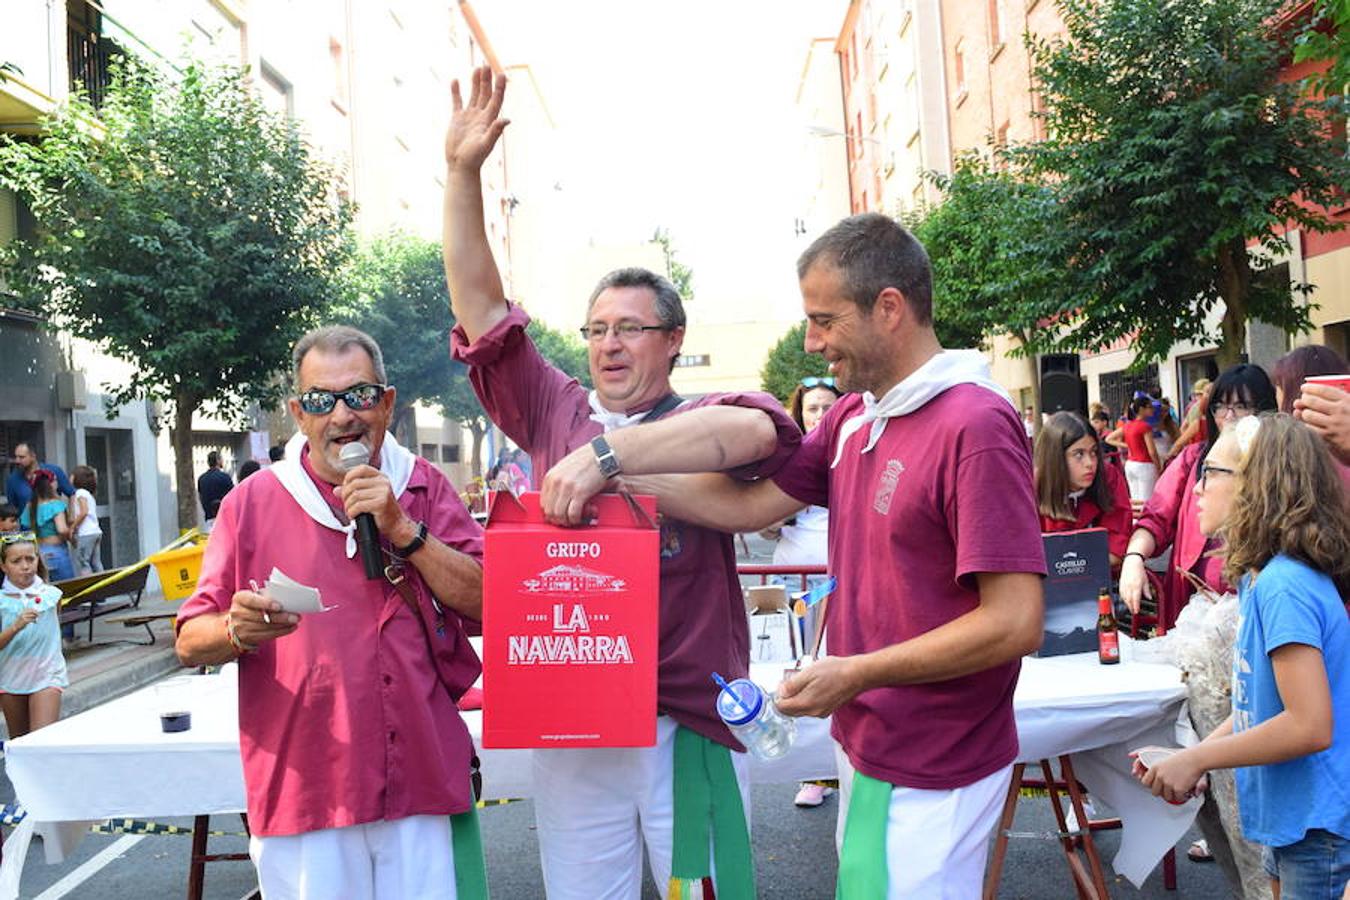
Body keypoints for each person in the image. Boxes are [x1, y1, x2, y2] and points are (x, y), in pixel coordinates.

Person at [590, 213, 1047, 897]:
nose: (812, 341)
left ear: (888, 308)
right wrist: (613, 481)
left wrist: (855, 672)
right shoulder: (855, 414)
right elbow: (749, 507)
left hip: (937, 758)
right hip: (868, 745)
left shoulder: (974, 423)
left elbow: (1015, 622)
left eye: (824, 319)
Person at [444, 67, 799, 900]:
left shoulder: (708, 412)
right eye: (596, 329)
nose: (608, 345)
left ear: (673, 340)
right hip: (574, 724)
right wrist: (462, 175)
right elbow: (481, 308)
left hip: (688, 722)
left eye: (629, 329)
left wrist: (610, 459)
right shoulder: (554, 406)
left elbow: (762, 432)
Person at [175, 326, 489, 899]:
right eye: (321, 400)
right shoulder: (251, 504)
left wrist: (404, 532)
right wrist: (233, 631)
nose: (342, 415)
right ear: (298, 413)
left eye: (360, 395)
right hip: (307, 789)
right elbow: (190, 639)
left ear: (387, 402)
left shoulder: (423, 487)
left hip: (421, 779)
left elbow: (493, 603)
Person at [1133, 414, 1349, 900]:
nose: (1197, 489)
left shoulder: (1283, 586)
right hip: (1291, 821)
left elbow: (1309, 724)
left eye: (1211, 472)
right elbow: (1259, 707)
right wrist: (1192, 759)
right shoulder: (1261, 578)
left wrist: (1199, 759)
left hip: (1318, 830)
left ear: (1257, 484)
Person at [1119, 364, 1278, 632]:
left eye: (1240, 406)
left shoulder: (1278, 467)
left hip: (1256, 610)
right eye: (1220, 406)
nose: (1229, 416)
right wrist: (1134, 557)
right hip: (1193, 606)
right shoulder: (1193, 459)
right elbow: (1156, 517)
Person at [759, 376, 842, 809]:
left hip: (838, 578)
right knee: (793, 667)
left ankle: (839, 769)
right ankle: (811, 773)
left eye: (828, 406)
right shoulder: (788, 461)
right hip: (792, 577)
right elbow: (763, 521)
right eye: (812, 408)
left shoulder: (851, 455)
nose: (820, 415)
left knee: (835, 665)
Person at [1034, 411, 1133, 567]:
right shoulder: (1032, 488)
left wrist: (1077, 568)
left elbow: (1117, 542)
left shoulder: (1108, 477)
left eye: (1093, 452)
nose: (1090, 463)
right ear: (1055, 457)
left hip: (1101, 575)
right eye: (1079, 454)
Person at [0, 532, 68, 738]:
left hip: (47, 674)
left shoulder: (52, 595)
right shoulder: (2, 601)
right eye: (16, 561)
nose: (25, 566)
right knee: (20, 743)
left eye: (30, 558)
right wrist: (16, 626)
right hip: (11, 676)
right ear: (3, 566)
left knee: (41, 742)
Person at [19, 470, 73, 582]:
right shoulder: (55, 504)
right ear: (50, 484)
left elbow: (25, 529)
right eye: (55, 481)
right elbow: (62, 529)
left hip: (38, 552)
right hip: (56, 551)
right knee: (66, 588)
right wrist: (72, 535)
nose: (57, 483)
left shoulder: (29, 506)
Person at [1108, 395, 1161, 501]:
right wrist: (1158, 466)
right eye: (1149, 407)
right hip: (1145, 465)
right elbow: (1152, 451)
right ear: (1142, 409)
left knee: (1135, 498)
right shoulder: (1145, 426)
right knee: (1146, 500)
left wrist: (1127, 445)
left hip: (1130, 464)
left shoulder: (1127, 425)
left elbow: (1109, 438)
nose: (1152, 409)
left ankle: (1135, 518)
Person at [4, 443, 73, 512]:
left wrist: (71, 517)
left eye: (21, 457)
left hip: (53, 520)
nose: (17, 461)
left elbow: (72, 494)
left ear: (33, 456)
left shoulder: (53, 471)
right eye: (16, 457)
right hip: (27, 521)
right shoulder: (13, 479)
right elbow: (12, 508)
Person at [1164, 378, 1212, 467]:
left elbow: (1183, 428)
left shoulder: (1194, 411)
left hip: (1197, 456)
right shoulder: (1221, 422)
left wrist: (1171, 455)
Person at [68, 465, 103, 576]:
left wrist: (73, 527)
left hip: (85, 533)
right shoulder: (89, 494)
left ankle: (88, 587)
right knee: (96, 563)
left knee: (83, 562)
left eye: (72, 475)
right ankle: (104, 586)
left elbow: (84, 511)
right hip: (95, 532)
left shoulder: (80, 493)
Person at [196, 450, 234, 533]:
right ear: (218, 461)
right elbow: (233, 497)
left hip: (209, 519)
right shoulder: (225, 477)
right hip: (224, 519)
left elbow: (200, 497)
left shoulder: (201, 479)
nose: (222, 461)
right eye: (221, 459)